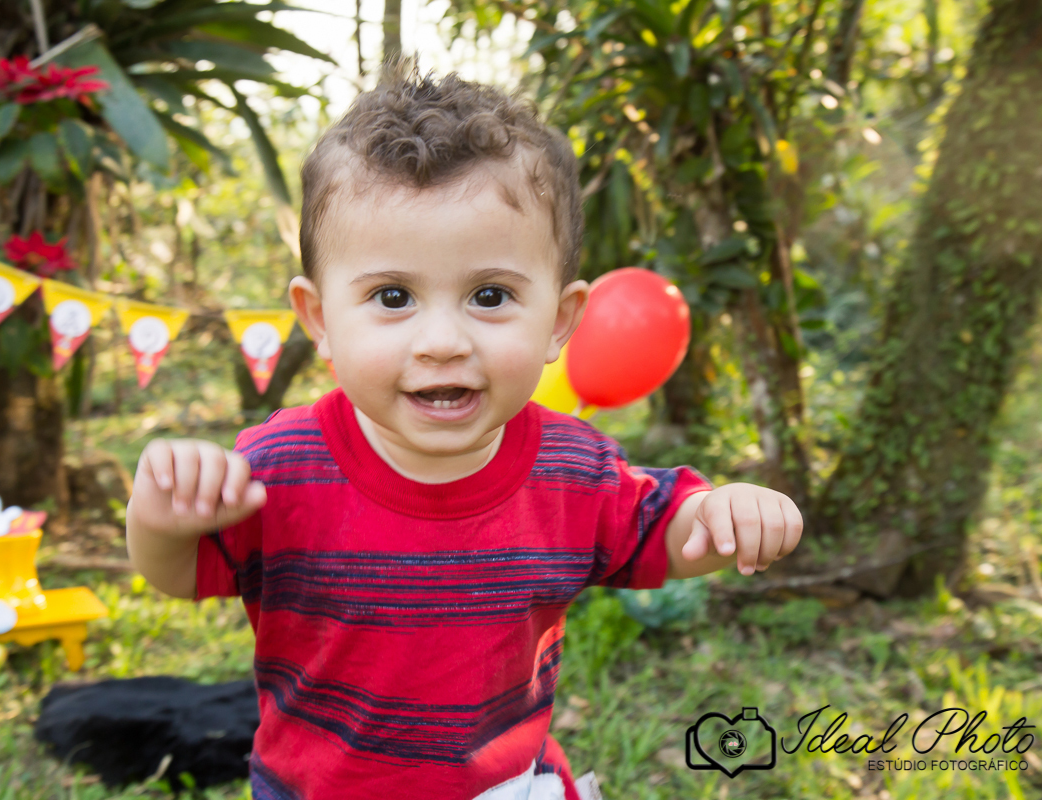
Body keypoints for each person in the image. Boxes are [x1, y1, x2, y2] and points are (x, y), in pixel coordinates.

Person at [126, 63, 803, 800]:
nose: (442, 340)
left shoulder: (573, 469)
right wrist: (161, 521)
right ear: (320, 318)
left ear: (560, 320)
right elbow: (182, 574)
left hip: (505, 787)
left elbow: (663, 531)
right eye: (393, 296)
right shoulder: (279, 468)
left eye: (490, 295)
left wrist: (722, 512)